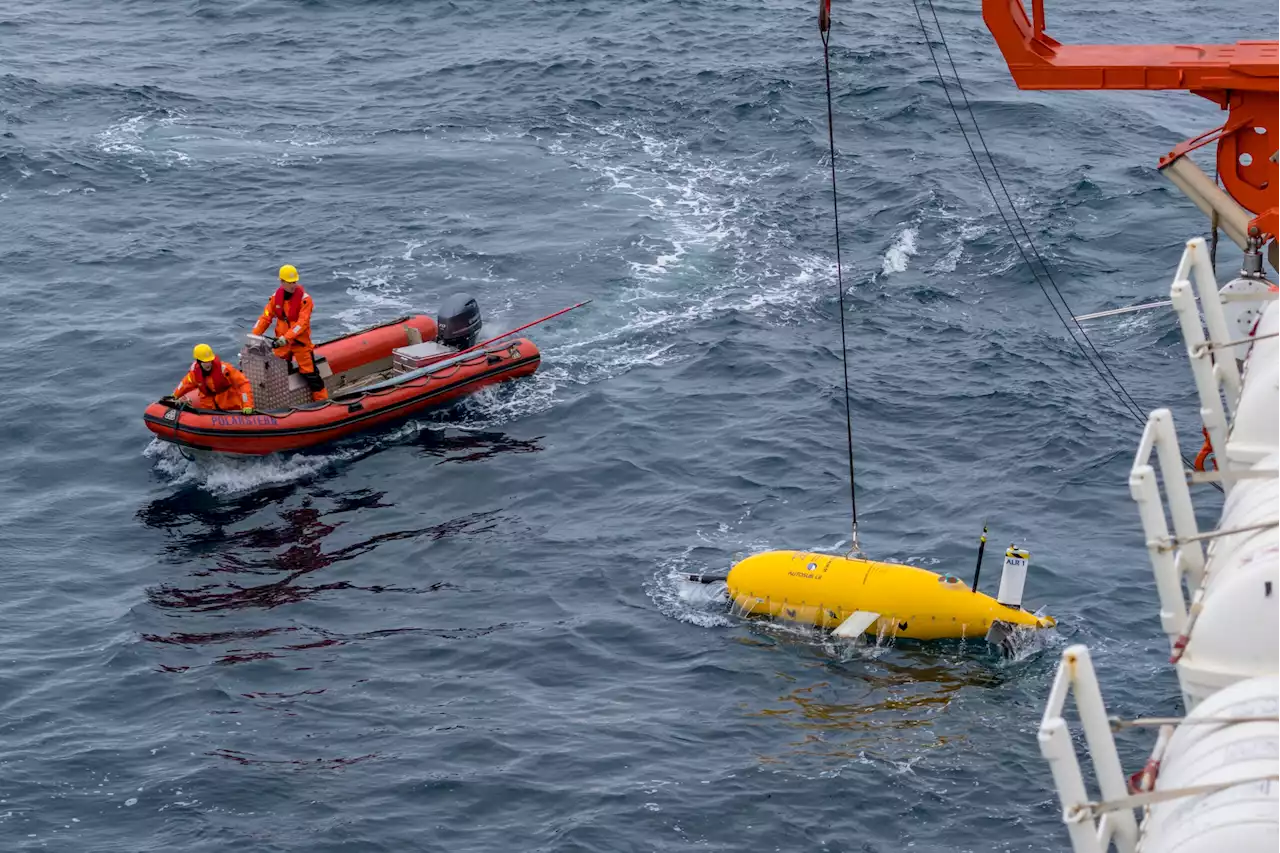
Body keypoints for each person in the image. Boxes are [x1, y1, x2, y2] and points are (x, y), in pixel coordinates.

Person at [251, 263, 328, 402]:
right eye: (290, 282)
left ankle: (322, 401)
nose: (293, 285)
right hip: (282, 343)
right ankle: (284, 401)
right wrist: (254, 335)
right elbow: (265, 317)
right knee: (280, 372)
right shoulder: (275, 298)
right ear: (282, 282)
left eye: (295, 282)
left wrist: (286, 338)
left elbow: (302, 324)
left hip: (299, 343)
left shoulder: (305, 300)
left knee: (311, 375)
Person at [166, 344, 254, 413]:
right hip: (208, 407)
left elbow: (243, 384)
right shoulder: (194, 373)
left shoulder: (225, 369)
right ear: (199, 362)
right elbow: (185, 385)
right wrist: (174, 396)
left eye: (209, 361)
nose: (208, 364)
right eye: (205, 362)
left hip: (228, 403)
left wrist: (247, 405)